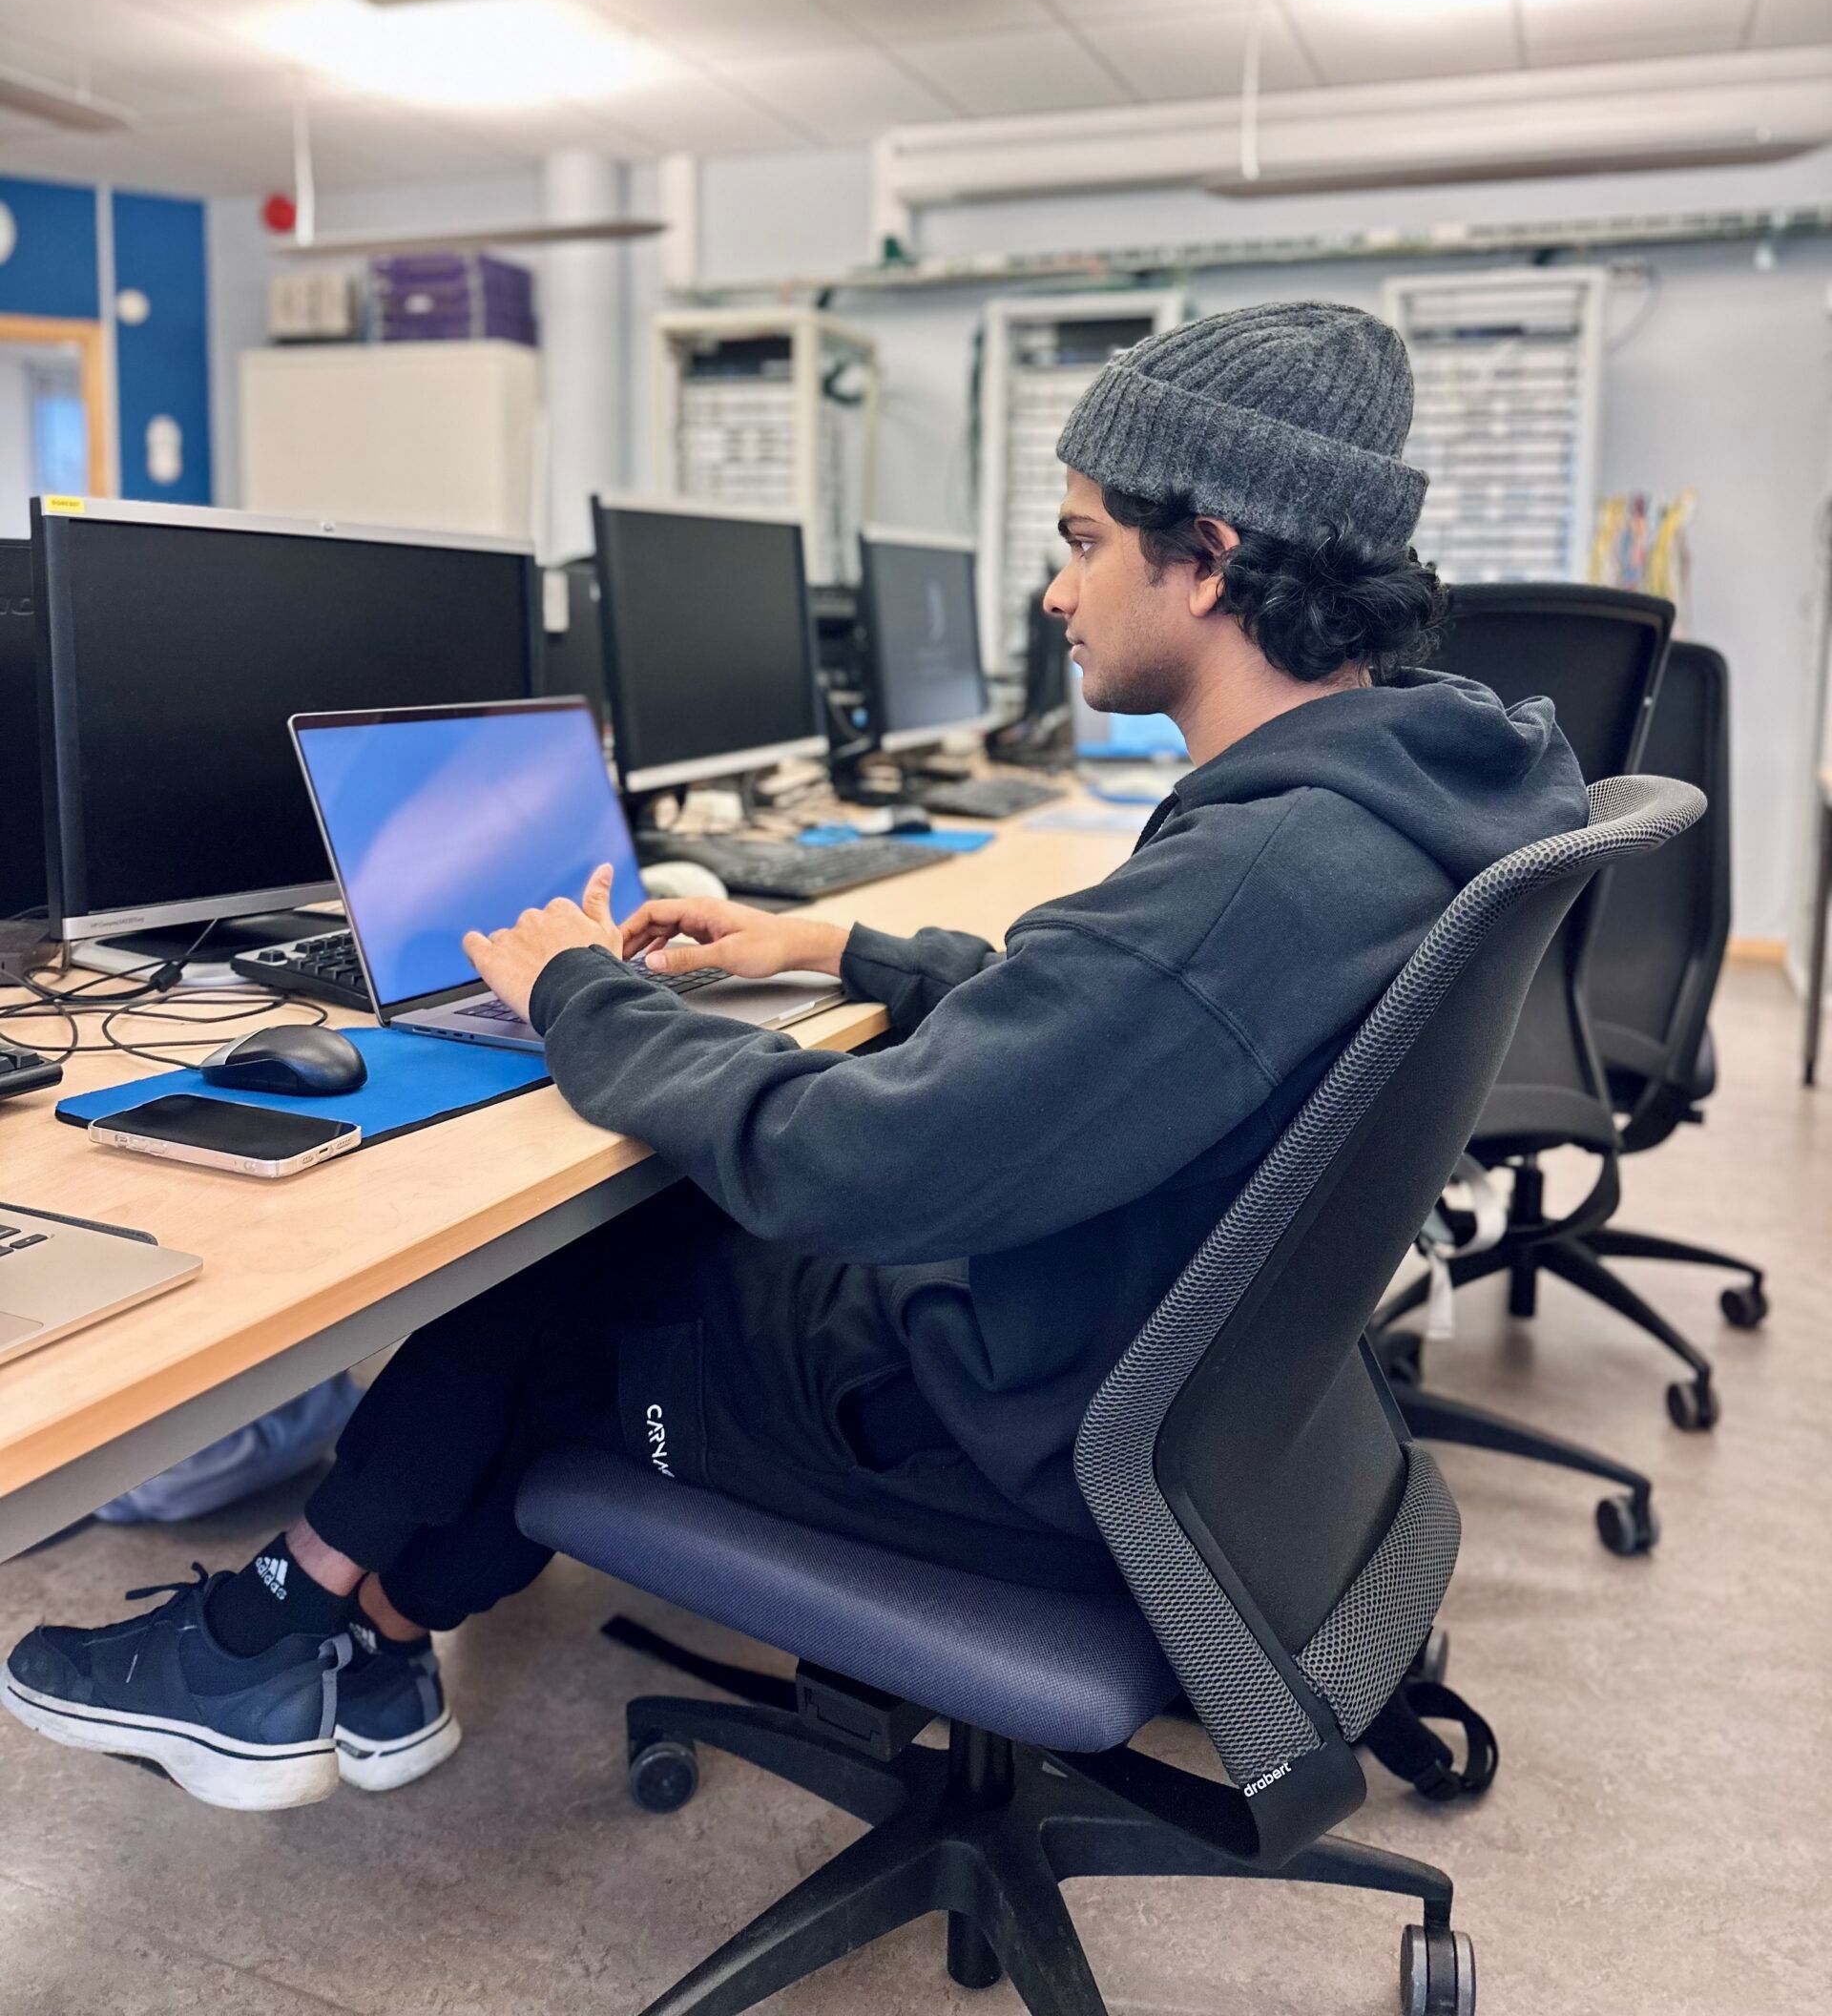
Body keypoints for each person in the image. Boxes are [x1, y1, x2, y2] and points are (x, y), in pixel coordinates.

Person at [5, 302, 1587, 1811]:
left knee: (585, 1257)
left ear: (1210, 560)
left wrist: (576, 993)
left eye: (1085, 541)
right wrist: (841, 948)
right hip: (1174, 1404)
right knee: (658, 1196)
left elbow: (861, 1161)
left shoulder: (1266, 867)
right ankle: (363, 1631)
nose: (1058, 593)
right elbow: (1132, 1027)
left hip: (1021, 1454)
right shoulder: (1386, 801)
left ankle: (283, 1628)